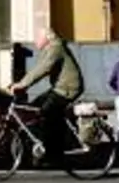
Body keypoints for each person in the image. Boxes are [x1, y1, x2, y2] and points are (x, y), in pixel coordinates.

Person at [6, 27, 83, 164]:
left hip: (68, 88)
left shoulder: (56, 48)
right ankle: (43, 144)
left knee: (48, 112)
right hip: (59, 87)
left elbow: (43, 69)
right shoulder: (50, 49)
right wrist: (21, 84)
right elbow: (38, 69)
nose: (35, 40)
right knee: (35, 108)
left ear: (46, 38)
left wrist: (22, 85)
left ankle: (54, 151)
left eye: (37, 37)